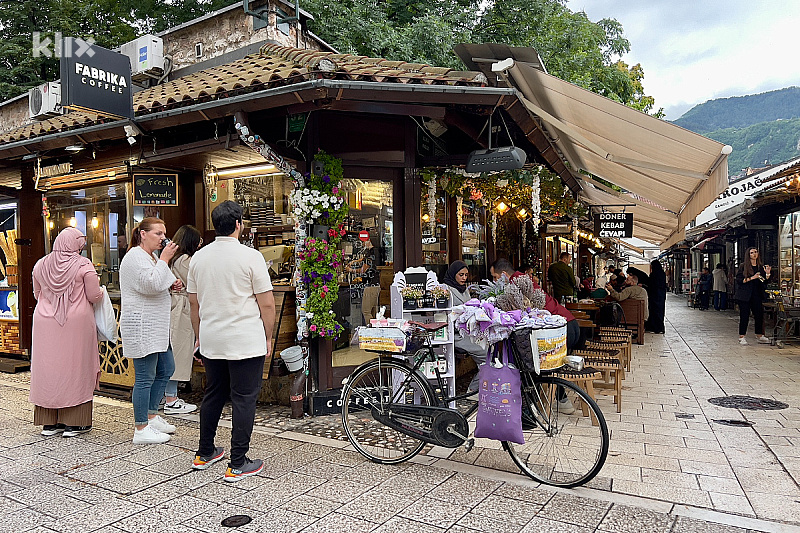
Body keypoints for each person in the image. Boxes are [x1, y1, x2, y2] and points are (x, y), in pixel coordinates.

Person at [188, 201, 276, 482]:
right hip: (245, 339)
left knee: (213, 393)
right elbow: (268, 305)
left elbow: (194, 305)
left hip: (212, 338)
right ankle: (238, 462)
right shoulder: (251, 257)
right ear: (238, 224)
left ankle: (205, 452)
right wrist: (269, 337)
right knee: (244, 398)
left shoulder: (199, 258)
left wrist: (199, 337)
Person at [29, 227, 104, 437]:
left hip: (44, 322)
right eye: (80, 244)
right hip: (76, 324)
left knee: (48, 368)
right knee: (75, 367)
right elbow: (94, 296)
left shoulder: (40, 264)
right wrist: (102, 291)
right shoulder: (83, 265)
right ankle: (74, 423)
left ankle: (49, 423)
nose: (81, 249)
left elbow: (37, 294)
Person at [120, 217, 182, 444]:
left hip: (156, 326)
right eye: (158, 233)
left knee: (167, 368)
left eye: (164, 233)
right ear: (143, 234)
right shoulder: (134, 257)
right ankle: (141, 427)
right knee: (145, 376)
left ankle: (152, 415)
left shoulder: (151, 256)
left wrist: (172, 282)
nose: (163, 238)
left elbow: (158, 281)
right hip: (142, 325)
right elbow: (151, 284)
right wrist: (165, 260)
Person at [164, 225, 202, 415]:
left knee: (173, 352)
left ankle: (168, 396)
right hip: (182, 308)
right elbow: (198, 284)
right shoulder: (186, 260)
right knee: (178, 353)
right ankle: (171, 399)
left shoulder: (173, 258)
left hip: (175, 307)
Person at [443, 260, 486, 392]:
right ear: (453, 274)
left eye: (466, 275)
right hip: (456, 334)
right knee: (486, 354)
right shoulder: (446, 289)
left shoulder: (464, 290)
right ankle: (473, 389)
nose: (464, 278)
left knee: (490, 351)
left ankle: (478, 386)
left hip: (468, 331)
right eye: (461, 275)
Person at [735, 247, 774, 345]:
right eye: (752, 253)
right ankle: (742, 336)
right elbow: (740, 281)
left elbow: (764, 281)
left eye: (756, 252)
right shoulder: (743, 266)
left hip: (757, 295)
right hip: (744, 295)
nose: (754, 254)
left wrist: (768, 274)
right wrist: (752, 278)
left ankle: (759, 335)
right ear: (748, 255)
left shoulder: (761, 267)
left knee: (759, 315)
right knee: (744, 316)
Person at [645, 260, 668, 334]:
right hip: (661, 295)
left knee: (654, 311)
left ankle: (655, 327)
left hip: (654, 295)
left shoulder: (654, 275)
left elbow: (651, 284)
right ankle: (660, 328)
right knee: (660, 311)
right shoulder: (662, 274)